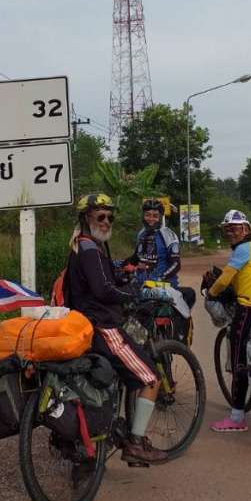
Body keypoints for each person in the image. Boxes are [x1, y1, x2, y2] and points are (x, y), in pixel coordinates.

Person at [66, 193, 168, 465]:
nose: (106, 221)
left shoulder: (85, 246)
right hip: (104, 328)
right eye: (101, 216)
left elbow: (101, 279)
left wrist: (123, 272)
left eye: (110, 217)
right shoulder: (89, 249)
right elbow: (102, 290)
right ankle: (135, 443)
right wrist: (132, 291)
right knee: (151, 379)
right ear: (86, 218)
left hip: (85, 325)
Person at [206, 209, 251, 434]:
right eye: (228, 230)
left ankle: (237, 417)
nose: (231, 233)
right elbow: (239, 278)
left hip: (247, 309)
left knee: (238, 363)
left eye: (235, 228)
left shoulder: (243, 249)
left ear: (246, 230)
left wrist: (212, 293)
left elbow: (227, 277)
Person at [124, 198, 196, 334]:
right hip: (142, 285)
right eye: (147, 215)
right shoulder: (141, 234)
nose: (151, 219)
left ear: (161, 217)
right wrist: (121, 265)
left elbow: (176, 263)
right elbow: (135, 258)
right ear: (143, 216)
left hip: (164, 286)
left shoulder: (168, 235)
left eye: (155, 216)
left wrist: (160, 278)